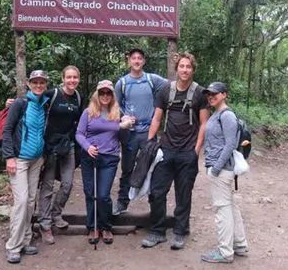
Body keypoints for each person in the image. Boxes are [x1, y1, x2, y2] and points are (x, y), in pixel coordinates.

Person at [141, 53, 208, 250]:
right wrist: (149, 143)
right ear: (176, 68)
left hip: (187, 151)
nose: (185, 70)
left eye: (188, 67)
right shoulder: (164, 91)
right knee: (157, 191)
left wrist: (196, 150)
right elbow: (156, 118)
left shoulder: (200, 94)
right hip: (166, 149)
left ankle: (179, 232)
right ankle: (157, 231)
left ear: (193, 70)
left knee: (183, 193)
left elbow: (204, 124)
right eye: (182, 66)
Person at [0, 70, 52, 264]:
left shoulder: (44, 104)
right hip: (19, 159)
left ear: (46, 85)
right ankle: (13, 245)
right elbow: (8, 130)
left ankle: (26, 240)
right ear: (29, 84)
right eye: (35, 82)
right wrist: (9, 157)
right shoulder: (20, 104)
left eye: (42, 82)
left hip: (36, 160)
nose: (38, 85)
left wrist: (43, 155)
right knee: (21, 202)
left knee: (30, 201)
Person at [77, 80, 136, 244]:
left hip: (109, 158)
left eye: (108, 93)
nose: (105, 96)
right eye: (102, 93)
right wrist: (87, 147)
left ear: (112, 95)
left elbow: (124, 138)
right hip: (90, 157)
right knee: (91, 193)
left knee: (103, 195)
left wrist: (126, 127)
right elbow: (79, 134)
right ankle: (92, 226)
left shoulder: (118, 113)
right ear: (97, 94)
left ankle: (106, 226)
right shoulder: (88, 112)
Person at [112, 49, 168, 215]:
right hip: (130, 133)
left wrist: (159, 109)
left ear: (143, 61)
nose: (136, 61)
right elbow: (115, 106)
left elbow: (172, 86)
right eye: (133, 58)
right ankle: (122, 203)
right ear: (129, 61)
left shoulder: (152, 80)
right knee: (127, 168)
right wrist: (124, 117)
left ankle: (154, 206)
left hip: (148, 131)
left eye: (140, 58)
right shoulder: (122, 83)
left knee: (152, 167)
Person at [199, 82, 250, 263]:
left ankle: (225, 252)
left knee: (222, 209)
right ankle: (239, 244)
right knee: (230, 206)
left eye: (215, 93)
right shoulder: (216, 114)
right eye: (209, 94)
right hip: (221, 168)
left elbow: (230, 144)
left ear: (224, 95)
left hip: (221, 169)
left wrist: (216, 168)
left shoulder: (227, 115)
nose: (211, 96)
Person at [36, 66, 86, 244]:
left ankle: (56, 213)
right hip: (50, 146)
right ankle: (45, 224)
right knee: (48, 186)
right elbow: (33, 104)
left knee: (67, 183)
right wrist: (12, 104)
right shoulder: (52, 94)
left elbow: (81, 121)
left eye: (75, 77)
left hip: (68, 146)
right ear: (63, 78)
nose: (72, 80)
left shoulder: (79, 98)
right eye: (69, 77)